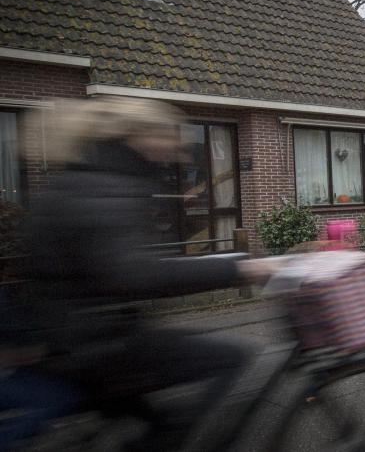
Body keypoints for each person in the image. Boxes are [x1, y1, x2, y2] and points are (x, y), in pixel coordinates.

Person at [9, 97, 279, 449]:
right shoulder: (106, 188)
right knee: (234, 357)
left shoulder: (82, 180)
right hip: (97, 347)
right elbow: (135, 274)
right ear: (139, 136)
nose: (179, 146)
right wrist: (238, 268)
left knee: (155, 420)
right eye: (170, 135)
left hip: (72, 340)